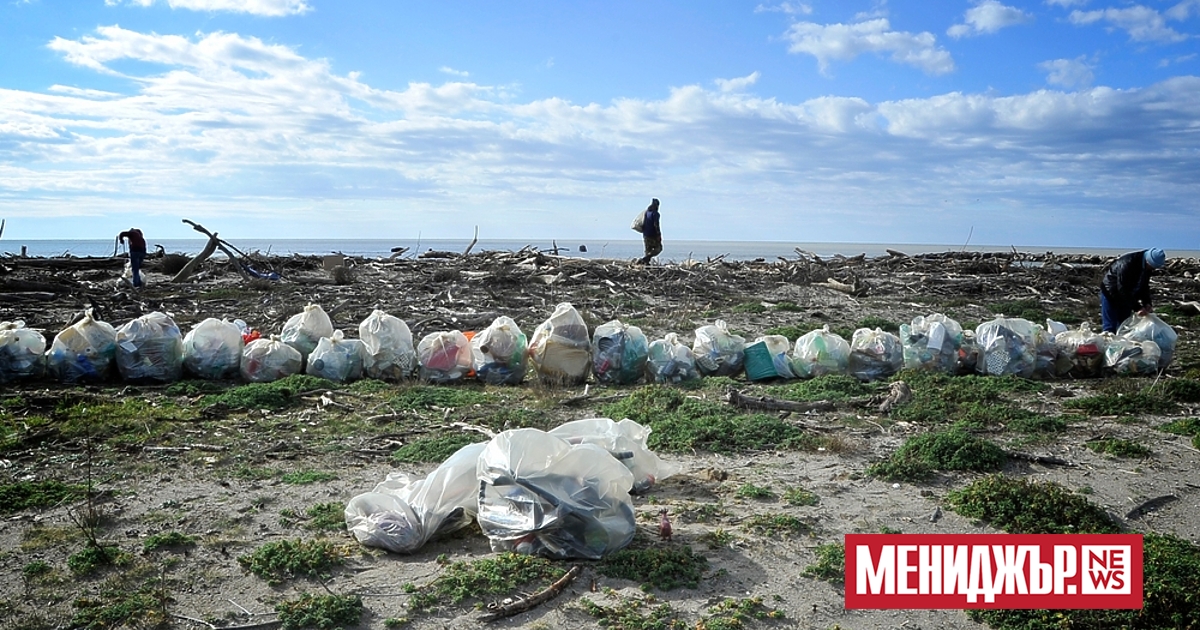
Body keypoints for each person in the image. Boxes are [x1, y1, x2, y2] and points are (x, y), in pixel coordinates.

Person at [1100, 248, 1166, 333]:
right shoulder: (1128, 263)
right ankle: (1107, 343)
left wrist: (1147, 302)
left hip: (1127, 296)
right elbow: (1123, 288)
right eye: (1152, 266)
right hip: (1111, 293)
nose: (1152, 269)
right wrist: (1137, 307)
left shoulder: (1147, 267)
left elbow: (1144, 285)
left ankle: (1119, 344)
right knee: (1110, 326)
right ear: (1148, 261)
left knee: (1123, 325)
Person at [637, 198, 661, 265]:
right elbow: (656, 225)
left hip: (645, 234)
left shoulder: (646, 213)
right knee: (659, 248)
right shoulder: (655, 214)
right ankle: (645, 258)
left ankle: (646, 264)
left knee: (648, 250)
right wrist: (659, 235)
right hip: (653, 235)